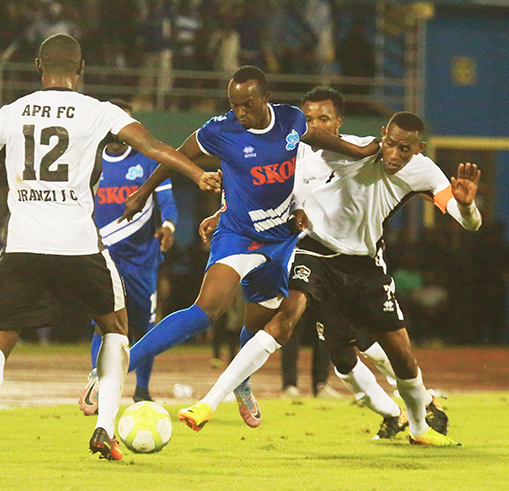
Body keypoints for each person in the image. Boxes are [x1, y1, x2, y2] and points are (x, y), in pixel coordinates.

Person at [0, 33, 219, 464]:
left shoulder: (10, 112)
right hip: (78, 244)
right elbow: (152, 147)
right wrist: (196, 174)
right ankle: (104, 429)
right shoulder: (98, 110)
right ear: (81, 69)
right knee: (116, 328)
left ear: (39, 66)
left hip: (22, 245)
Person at [78, 67, 380, 422]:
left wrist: (359, 150)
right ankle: (111, 371)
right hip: (238, 235)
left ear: (265, 99)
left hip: (280, 241)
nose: (240, 112)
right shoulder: (221, 130)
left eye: (247, 104)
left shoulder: (291, 120)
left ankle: (242, 383)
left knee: (258, 323)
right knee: (207, 309)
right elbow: (179, 153)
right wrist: (144, 193)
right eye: (234, 104)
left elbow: (315, 136)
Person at [180, 106, 482, 447]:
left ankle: (418, 427)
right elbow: (294, 179)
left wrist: (467, 206)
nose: (395, 155)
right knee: (286, 321)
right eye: (391, 144)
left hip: (364, 265)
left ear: (419, 149)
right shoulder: (351, 150)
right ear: (383, 134)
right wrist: (237, 211)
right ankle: (208, 403)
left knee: (401, 355)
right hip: (317, 251)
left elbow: (468, 222)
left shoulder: (424, 171)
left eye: (405, 149)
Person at [87, 99, 178, 403]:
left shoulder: (148, 160)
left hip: (142, 260)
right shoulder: (91, 161)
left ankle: (142, 389)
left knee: (144, 328)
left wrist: (168, 225)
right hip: (104, 259)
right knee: (102, 325)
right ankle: (98, 388)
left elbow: (167, 202)